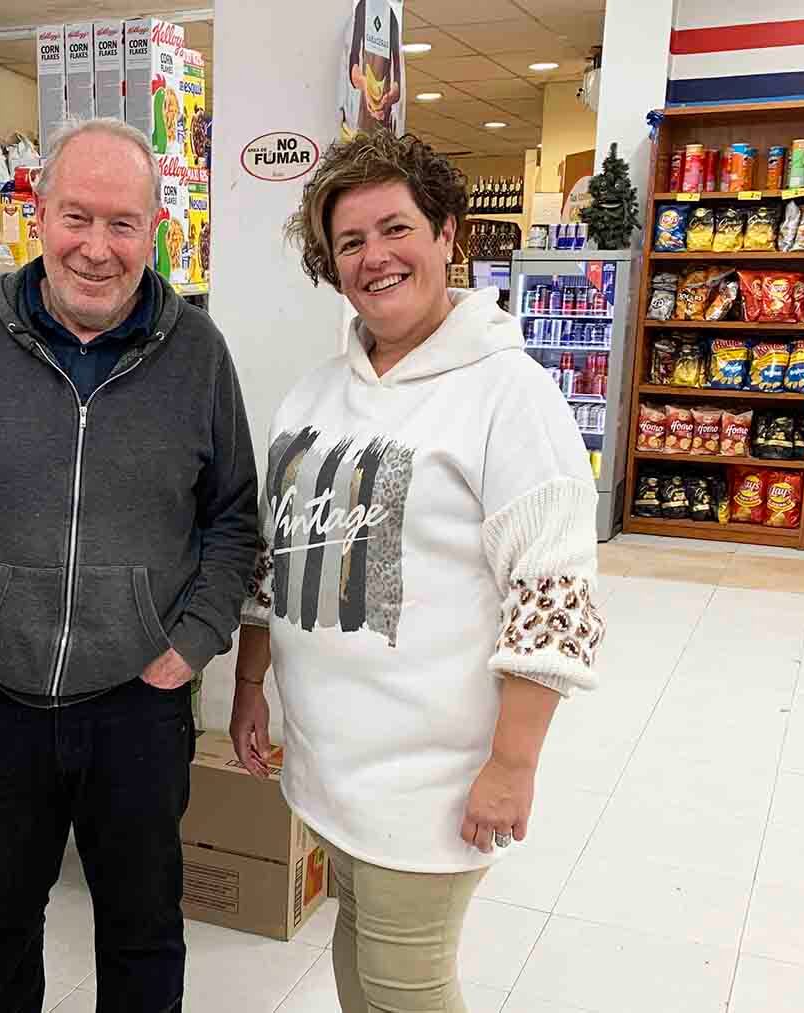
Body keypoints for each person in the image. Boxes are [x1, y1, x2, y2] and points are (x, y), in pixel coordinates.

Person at [0, 117, 260, 1013]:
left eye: (122, 223)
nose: (96, 247)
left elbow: (235, 520)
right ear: (37, 215)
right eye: (75, 217)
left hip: (139, 702)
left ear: (153, 230)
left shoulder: (198, 356)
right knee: (2, 922)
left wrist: (191, 644)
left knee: (143, 928)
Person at [229, 130, 603, 1013]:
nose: (375, 257)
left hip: (432, 777)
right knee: (360, 962)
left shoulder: (509, 394)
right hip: (331, 761)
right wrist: (253, 682)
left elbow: (554, 594)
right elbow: (276, 558)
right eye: (350, 242)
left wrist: (513, 764)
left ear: (446, 233)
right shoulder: (316, 392)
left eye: (395, 228)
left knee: (405, 988)